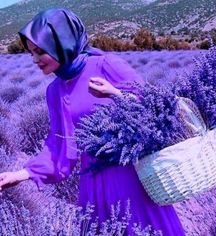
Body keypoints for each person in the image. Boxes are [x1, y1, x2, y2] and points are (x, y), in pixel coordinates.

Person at [0, 8, 185, 235]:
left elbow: (154, 106)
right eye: (31, 53)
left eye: (40, 51)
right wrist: (20, 174)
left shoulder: (106, 65)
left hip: (132, 177)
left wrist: (115, 94)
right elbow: (58, 145)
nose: (35, 60)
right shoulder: (55, 90)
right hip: (93, 183)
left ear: (62, 42)